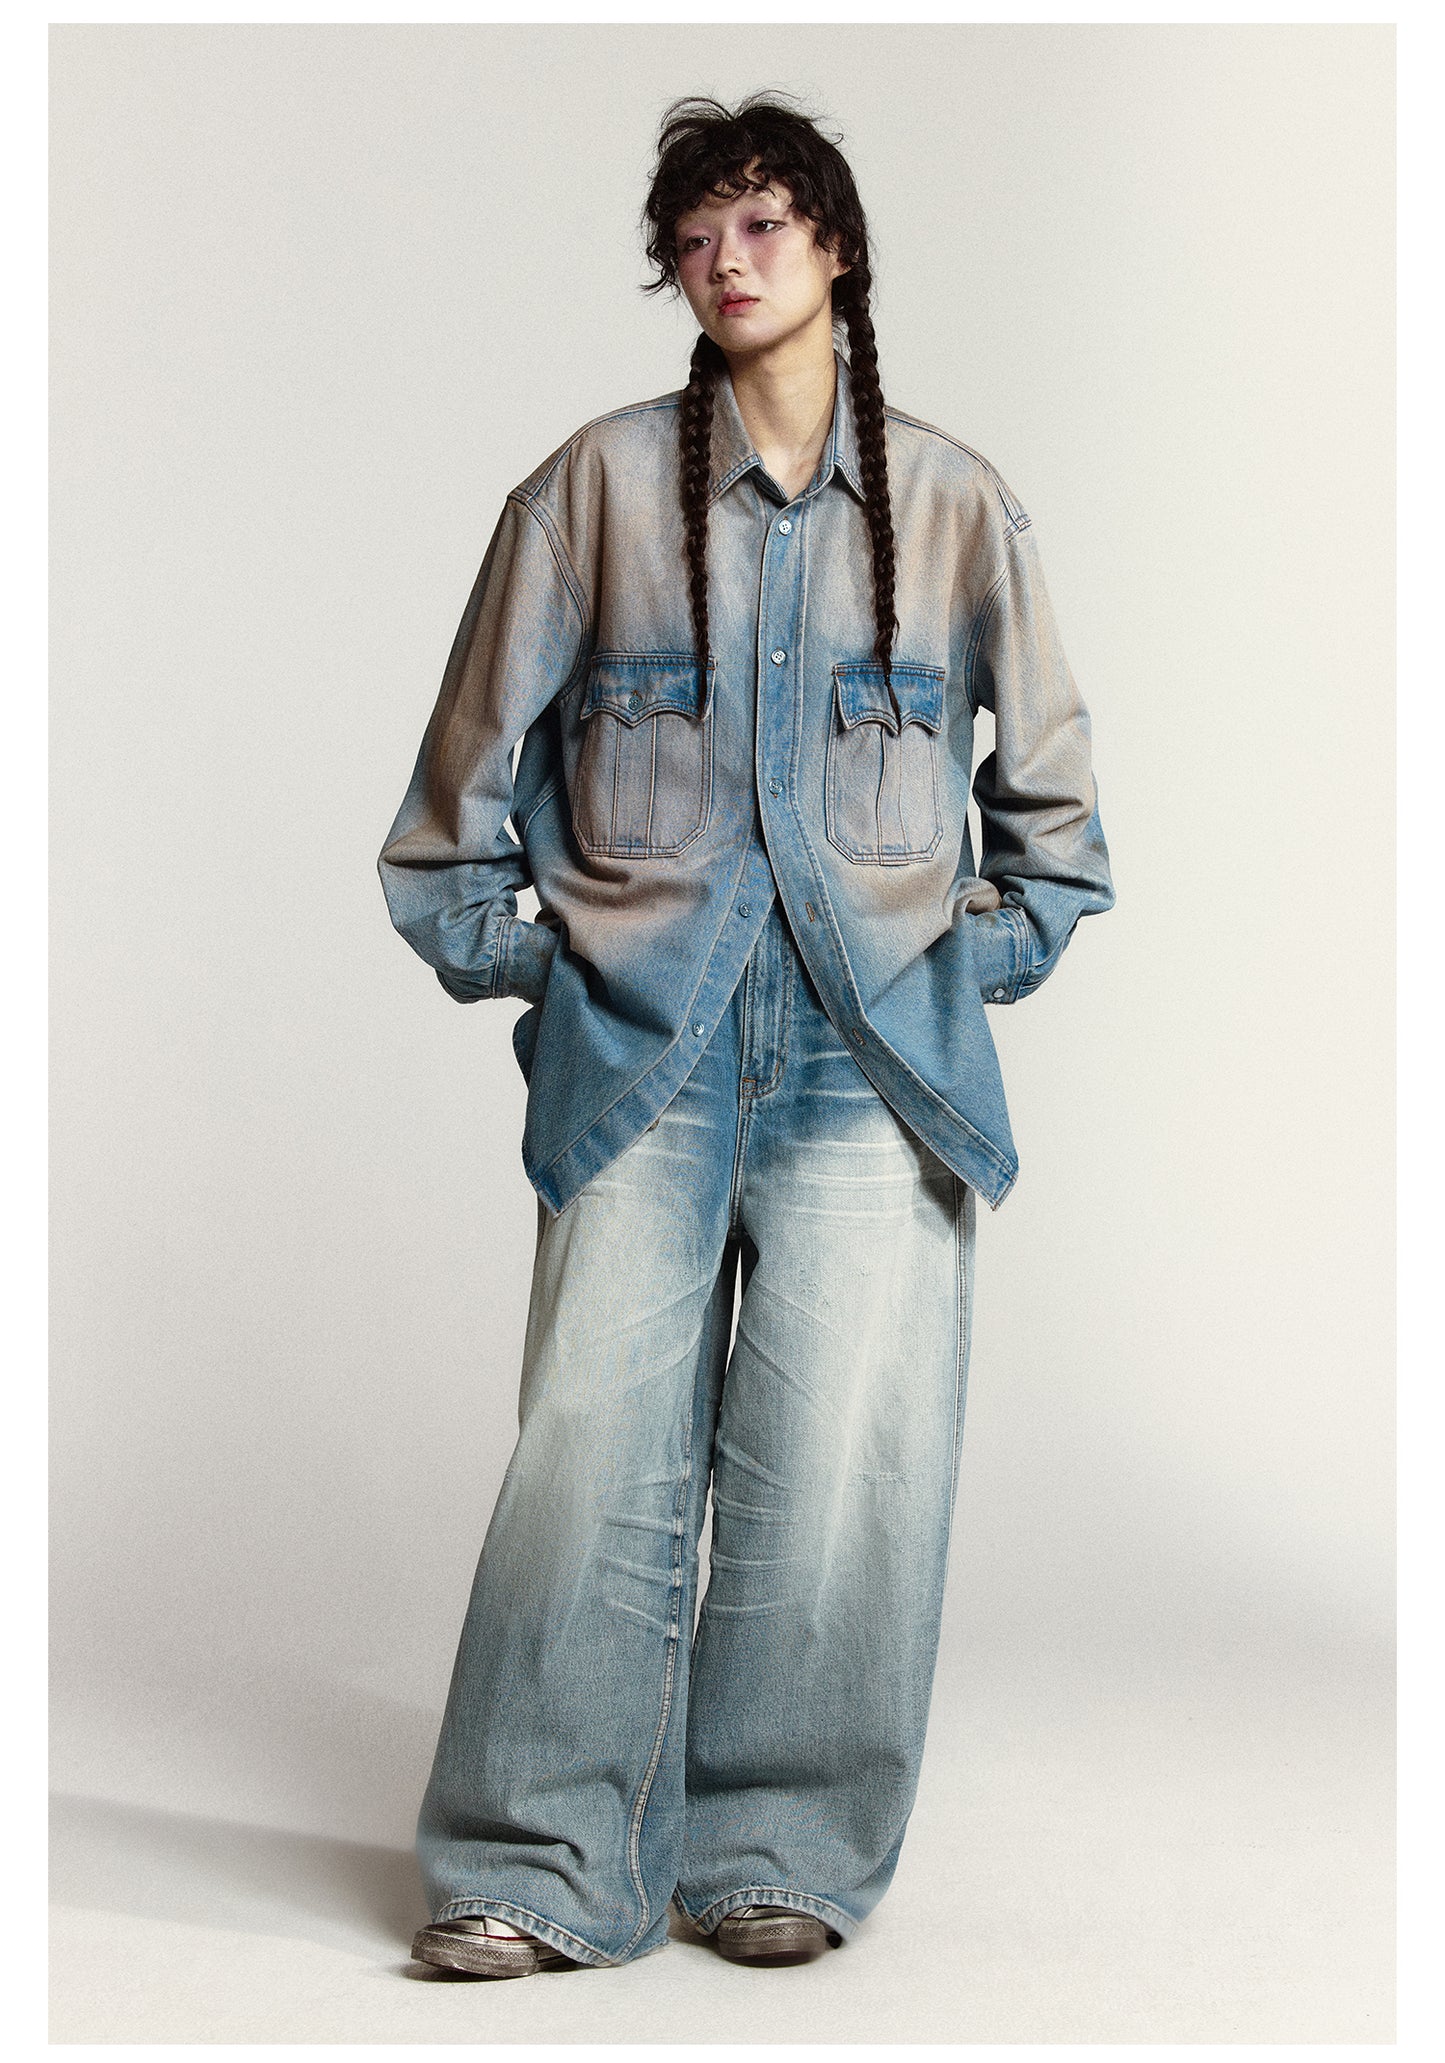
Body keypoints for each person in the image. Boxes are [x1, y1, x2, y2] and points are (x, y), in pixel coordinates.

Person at [378, 92, 1114, 1979]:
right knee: (591, 1459)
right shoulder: (590, 494)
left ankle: (772, 1850)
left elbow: (1054, 836)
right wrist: (555, 975)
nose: (727, 260)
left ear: (836, 250)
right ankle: (537, 1861)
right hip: (645, 1061)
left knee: (838, 1469)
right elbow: (450, 824)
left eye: (763, 224)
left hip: (874, 1071)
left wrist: (948, 974)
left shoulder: (952, 508)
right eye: (695, 236)